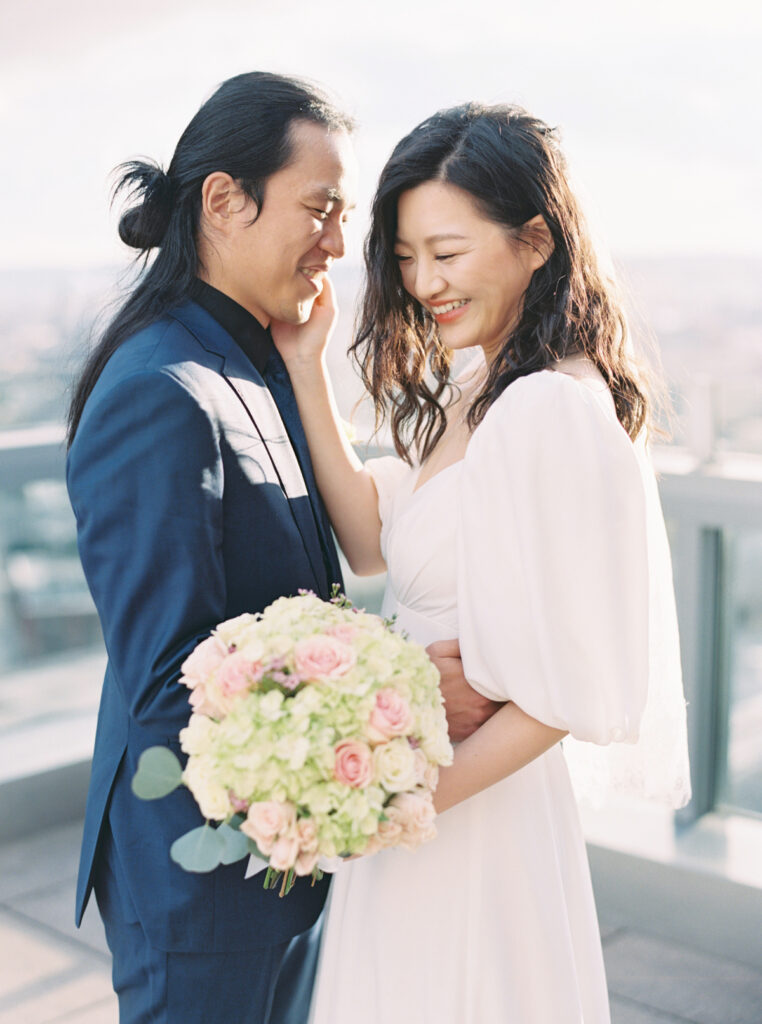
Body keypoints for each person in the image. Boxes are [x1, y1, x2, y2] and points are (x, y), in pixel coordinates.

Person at [65, 73, 493, 1024]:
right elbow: (169, 674)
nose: (340, 243)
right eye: (321, 209)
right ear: (224, 200)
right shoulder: (160, 389)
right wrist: (404, 693)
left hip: (271, 863)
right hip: (198, 882)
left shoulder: (247, 358)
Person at [270, 103, 692, 1023]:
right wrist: (307, 365)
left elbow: (559, 698)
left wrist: (383, 805)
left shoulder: (548, 408)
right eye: (409, 256)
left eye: (448, 252)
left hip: (464, 809)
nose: (424, 282)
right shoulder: (482, 387)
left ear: (535, 240)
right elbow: (377, 541)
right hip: (427, 792)